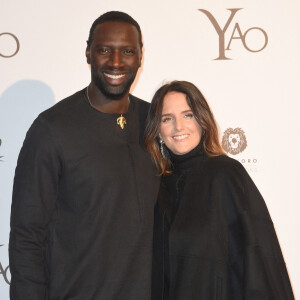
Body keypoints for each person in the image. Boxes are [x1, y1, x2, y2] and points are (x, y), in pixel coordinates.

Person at [9, 11, 159, 300]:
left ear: (140, 56)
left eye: (127, 51)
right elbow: (27, 236)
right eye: (104, 50)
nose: (116, 62)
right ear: (88, 52)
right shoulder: (51, 129)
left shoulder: (156, 121)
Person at [144, 81, 294, 300]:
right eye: (167, 119)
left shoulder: (227, 174)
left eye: (188, 115)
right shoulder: (154, 185)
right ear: (157, 128)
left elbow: (259, 258)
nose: (179, 127)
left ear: (203, 120)